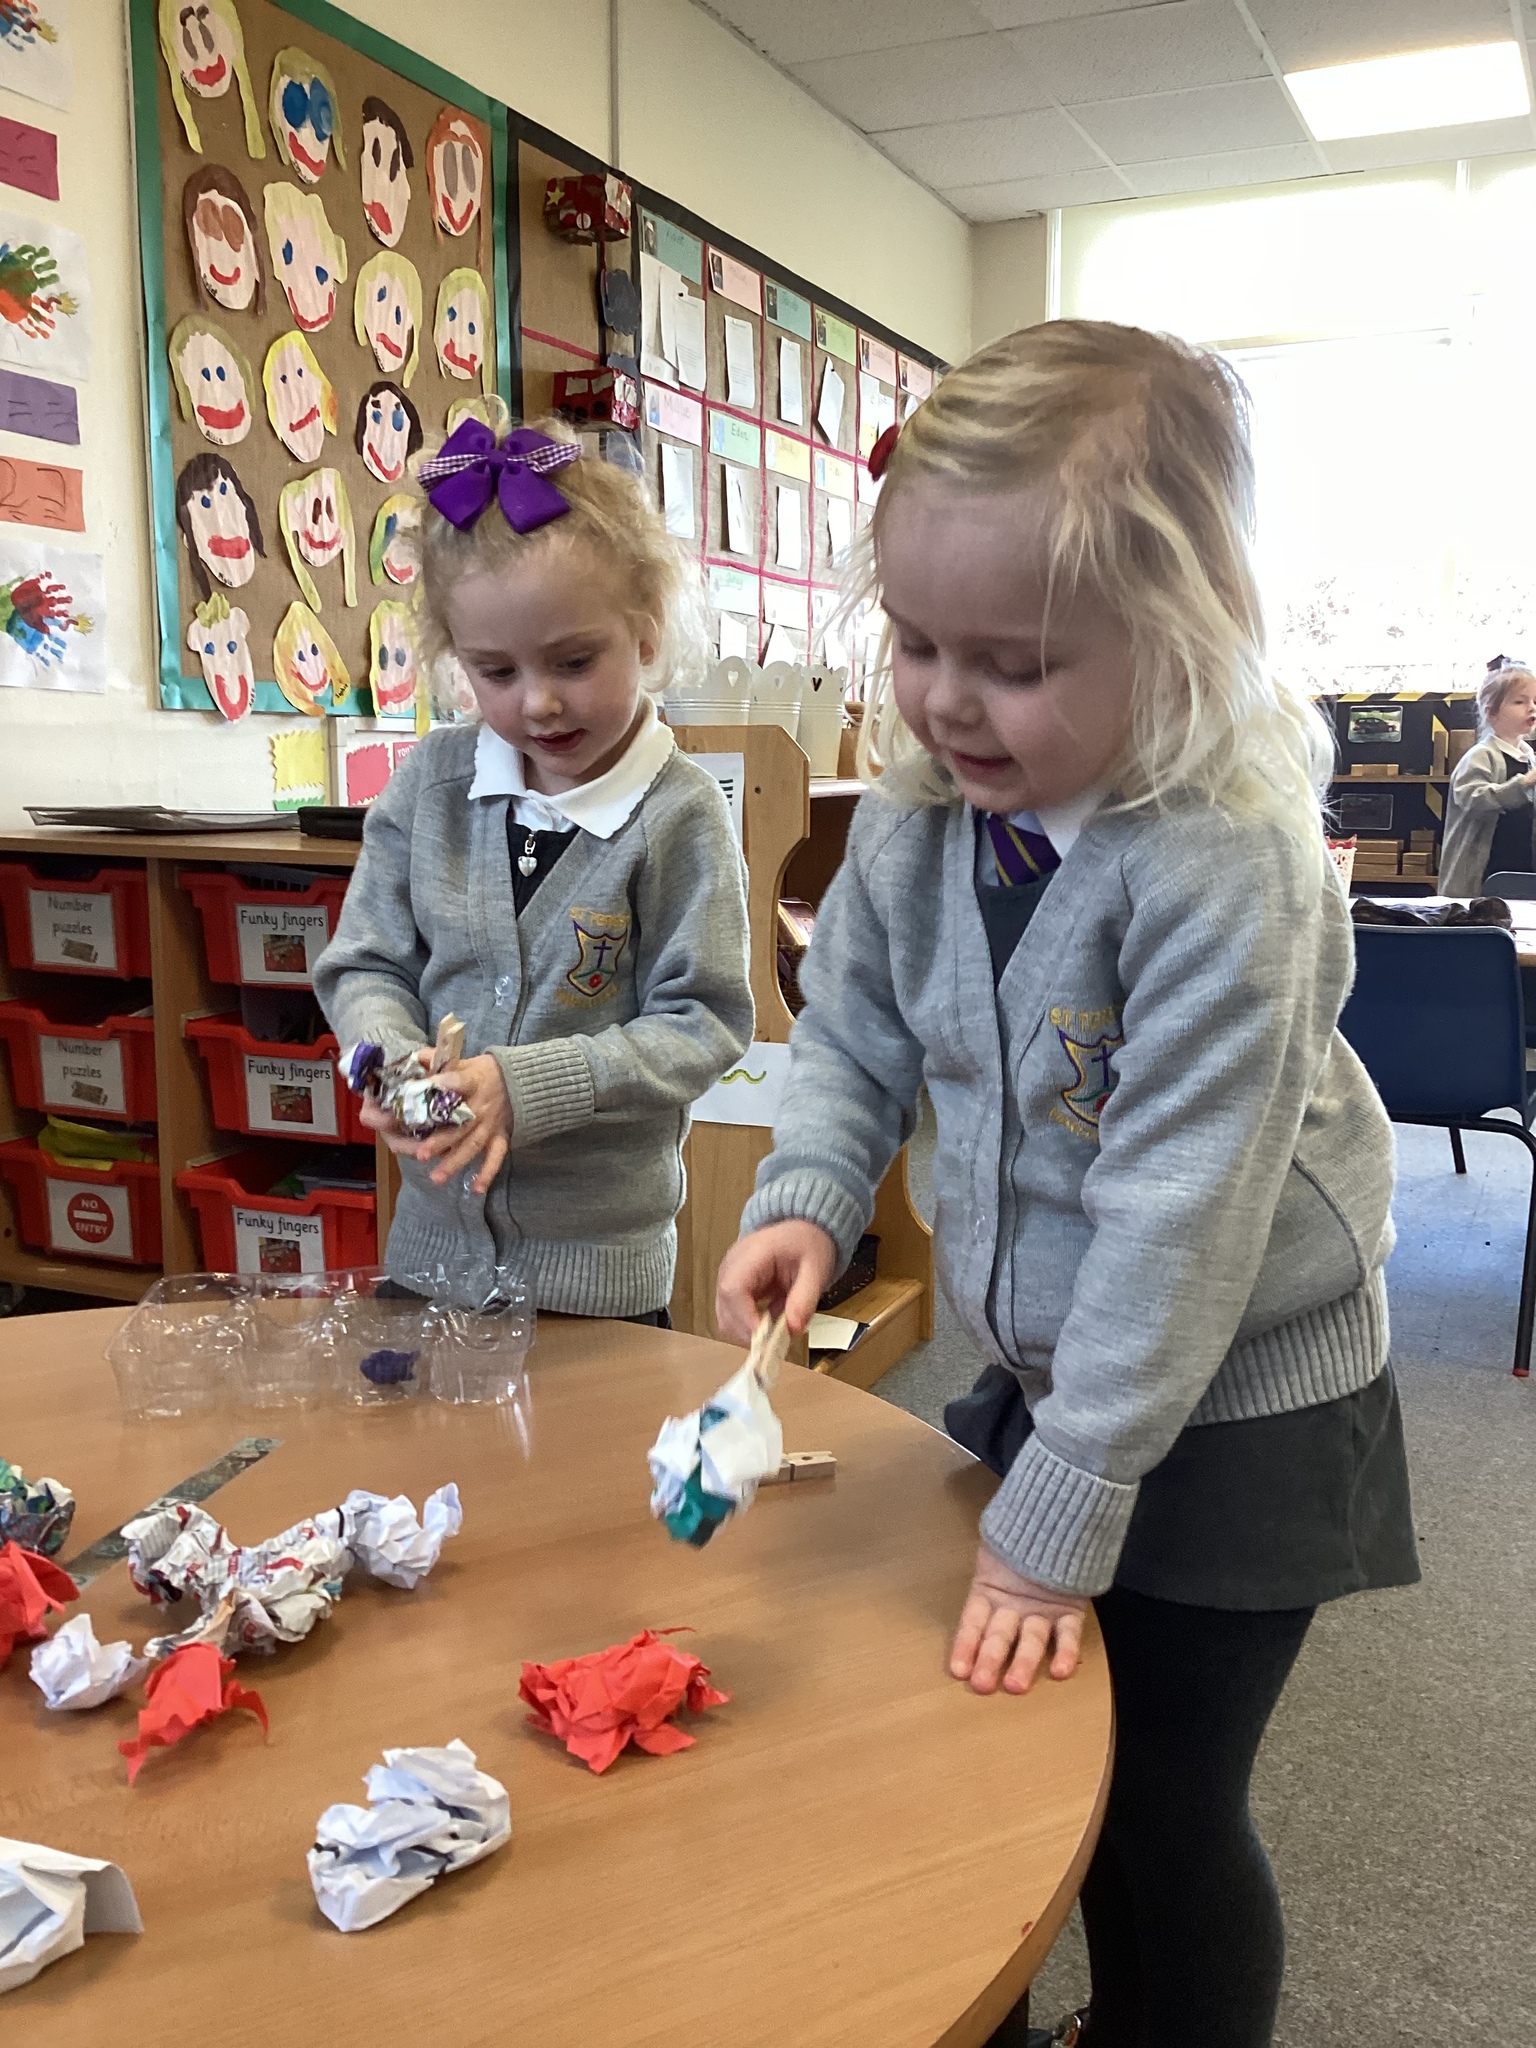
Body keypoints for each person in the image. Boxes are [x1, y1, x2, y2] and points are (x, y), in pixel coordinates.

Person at [715, 322, 1418, 2048]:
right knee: (1009, 1757)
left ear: (1185, 635)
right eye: (914, 644)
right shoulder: (917, 816)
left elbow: (1178, 1221)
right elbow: (854, 1031)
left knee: (1161, 1805)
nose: (948, 702)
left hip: (1246, 1395)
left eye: (1015, 663)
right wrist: (808, 1192)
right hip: (1064, 1362)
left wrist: (1055, 1527)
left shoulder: (1225, 862)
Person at [316, 418, 753, 1323]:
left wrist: (529, 1087)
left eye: (574, 662)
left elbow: (705, 1023)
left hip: (599, 1282)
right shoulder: (430, 786)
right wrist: (389, 1066)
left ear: (645, 632)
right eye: (496, 671)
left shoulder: (678, 814)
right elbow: (363, 966)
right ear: (456, 660)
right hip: (430, 1263)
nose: (540, 701)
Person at [1436, 654, 1536, 896]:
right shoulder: (1481, 756)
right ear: (1491, 712)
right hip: (1483, 874)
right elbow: (1472, 798)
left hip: (1521, 868)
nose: (1532, 707)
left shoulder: (1529, 757)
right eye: (1519, 702)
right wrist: (1523, 783)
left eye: (1535, 701)